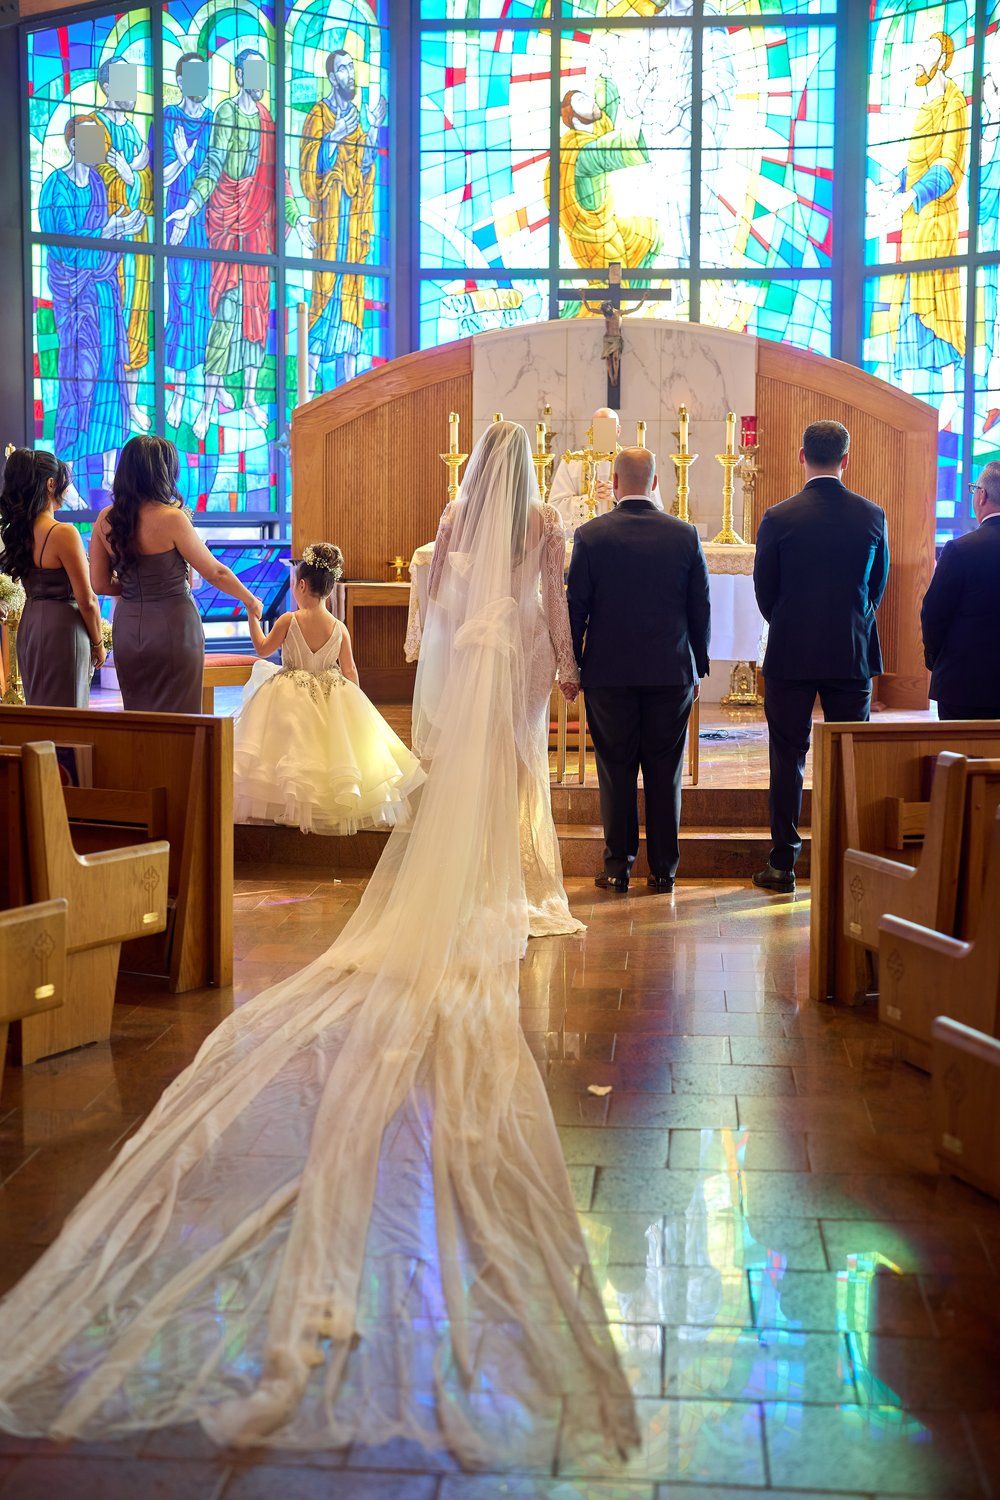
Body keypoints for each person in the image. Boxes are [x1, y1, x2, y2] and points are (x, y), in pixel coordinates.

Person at [0, 421, 637, 1467]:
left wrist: (424, 661)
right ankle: (515, 883)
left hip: (443, 660)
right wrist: (558, 666)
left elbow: (429, 606)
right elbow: (552, 611)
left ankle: (455, 878)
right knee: (514, 780)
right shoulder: (538, 522)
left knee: (460, 778)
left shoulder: (446, 520)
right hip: (511, 659)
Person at [419, 422, 583, 936]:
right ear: (527, 463)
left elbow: (436, 586)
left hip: (477, 640)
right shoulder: (546, 519)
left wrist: (460, 629)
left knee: (476, 752)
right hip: (529, 644)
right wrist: (569, 666)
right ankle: (515, 878)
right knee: (522, 757)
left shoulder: (456, 513)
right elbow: (556, 600)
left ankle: (474, 876)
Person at [752, 420, 890, 894]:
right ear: (846, 460)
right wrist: (852, 621)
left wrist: (790, 621)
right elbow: (877, 587)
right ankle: (842, 862)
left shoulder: (778, 516)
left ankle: (783, 865)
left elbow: (764, 591)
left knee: (787, 757)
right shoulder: (872, 516)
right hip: (850, 654)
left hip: (790, 652)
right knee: (850, 758)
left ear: (801, 456)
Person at [566, 446, 710, 893]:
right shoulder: (684, 535)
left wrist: (571, 664)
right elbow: (699, 608)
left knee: (615, 768)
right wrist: (698, 666)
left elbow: (576, 609)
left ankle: (617, 867)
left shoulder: (591, 535)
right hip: (670, 672)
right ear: (653, 483)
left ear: (613, 481)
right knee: (665, 770)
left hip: (609, 674)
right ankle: (664, 870)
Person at [234, 542, 423, 832]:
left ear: (300, 584)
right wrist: (357, 706)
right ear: (330, 588)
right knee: (332, 750)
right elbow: (349, 669)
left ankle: (289, 803)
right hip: (330, 690)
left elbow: (261, 648)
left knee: (292, 746)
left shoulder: (288, 620)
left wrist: (251, 615)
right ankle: (328, 804)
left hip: (289, 690)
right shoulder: (339, 627)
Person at [90, 435, 262, 712]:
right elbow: (215, 572)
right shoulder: (171, 517)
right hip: (173, 628)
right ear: (163, 472)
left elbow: (98, 584)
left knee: (138, 715)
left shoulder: (105, 519)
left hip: (128, 628)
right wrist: (249, 599)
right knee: (180, 716)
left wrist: (137, 590)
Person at [37, 116, 139, 497]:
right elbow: (62, 244)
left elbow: (100, 235)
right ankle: (67, 478)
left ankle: (112, 476)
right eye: (91, 139)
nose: (98, 145)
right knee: (80, 377)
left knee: (110, 374)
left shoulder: (98, 182)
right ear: (74, 144)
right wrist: (107, 232)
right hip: (75, 298)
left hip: (103, 290)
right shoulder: (55, 187)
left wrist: (119, 229)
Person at [300, 49, 386, 392]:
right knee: (324, 297)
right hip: (330, 222)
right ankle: (306, 393)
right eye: (343, 69)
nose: (350, 73)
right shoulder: (319, 115)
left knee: (351, 299)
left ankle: (347, 389)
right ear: (332, 77)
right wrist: (333, 138)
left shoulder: (356, 116)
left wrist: (374, 129)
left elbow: (365, 167)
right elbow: (310, 169)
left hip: (352, 227)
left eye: (352, 66)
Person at [0, 448, 104, 707]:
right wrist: (99, 642)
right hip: (64, 632)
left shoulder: (19, 533)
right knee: (69, 714)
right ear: (50, 484)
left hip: (32, 627)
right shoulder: (63, 533)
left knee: (41, 712)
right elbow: (87, 599)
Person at [921, 461, 1000, 720]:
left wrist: (936, 661)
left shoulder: (960, 549)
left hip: (965, 685)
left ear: (982, 495)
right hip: (967, 684)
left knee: (961, 760)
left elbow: (933, 615)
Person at [163, 52, 214, 431]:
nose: (201, 82)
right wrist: (182, 160)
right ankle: (179, 391)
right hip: (175, 222)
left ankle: (204, 389)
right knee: (181, 302)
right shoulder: (169, 118)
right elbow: (160, 178)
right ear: (181, 81)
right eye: (193, 76)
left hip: (206, 225)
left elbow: (217, 171)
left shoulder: (213, 121)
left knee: (204, 304)